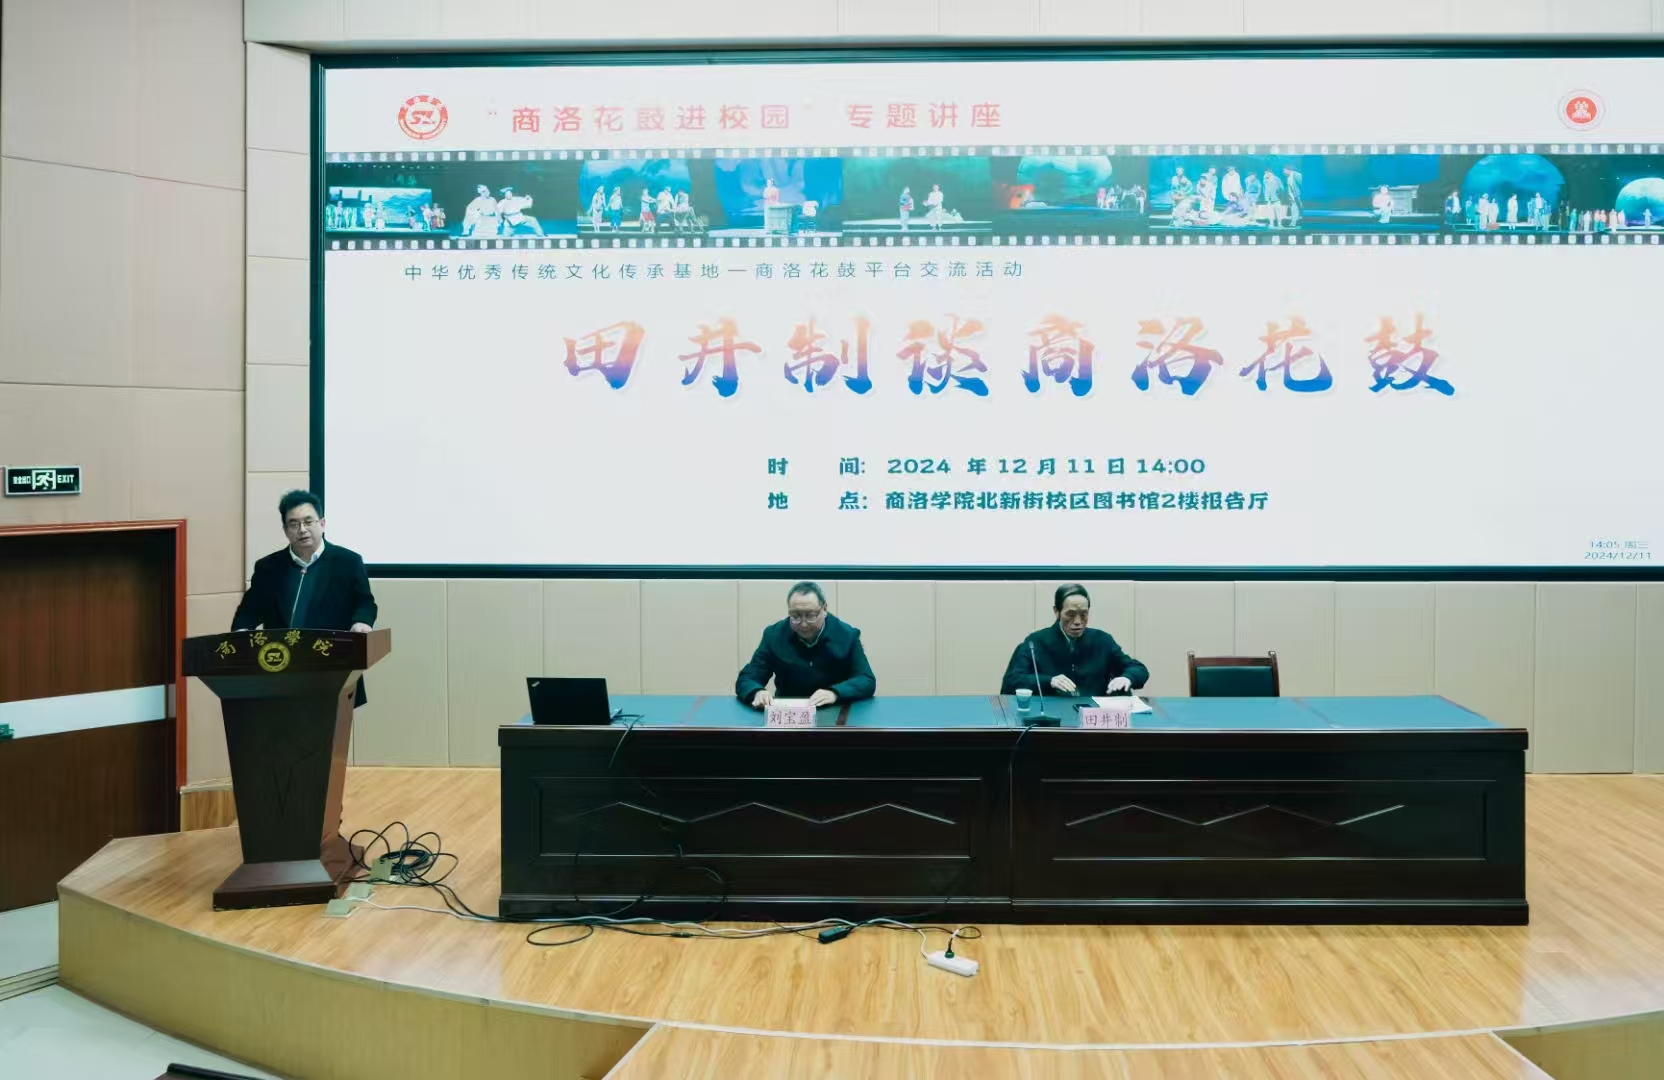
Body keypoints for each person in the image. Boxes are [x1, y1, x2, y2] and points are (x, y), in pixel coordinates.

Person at [231, 490, 377, 706]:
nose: (302, 530)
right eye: (294, 524)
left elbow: (364, 602)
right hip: (279, 668)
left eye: (309, 522)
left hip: (332, 668)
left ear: (322, 524)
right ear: (285, 530)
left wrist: (362, 622)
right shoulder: (268, 567)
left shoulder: (347, 562)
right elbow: (249, 611)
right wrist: (241, 634)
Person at [737, 582, 876, 710]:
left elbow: (866, 679)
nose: (803, 624)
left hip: (835, 711)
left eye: (811, 615)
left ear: (824, 609)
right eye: (795, 616)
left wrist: (835, 693)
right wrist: (756, 691)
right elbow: (748, 678)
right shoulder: (774, 635)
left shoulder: (847, 635)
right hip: (789, 712)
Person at [1001, 584, 1148, 699]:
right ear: (1056, 612)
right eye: (1070, 614)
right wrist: (1049, 681)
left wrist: (1127, 678)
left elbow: (1138, 669)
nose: (1078, 621)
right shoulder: (1036, 642)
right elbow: (1011, 681)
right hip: (1052, 717)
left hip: (1093, 716)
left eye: (1083, 614)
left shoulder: (1102, 640)